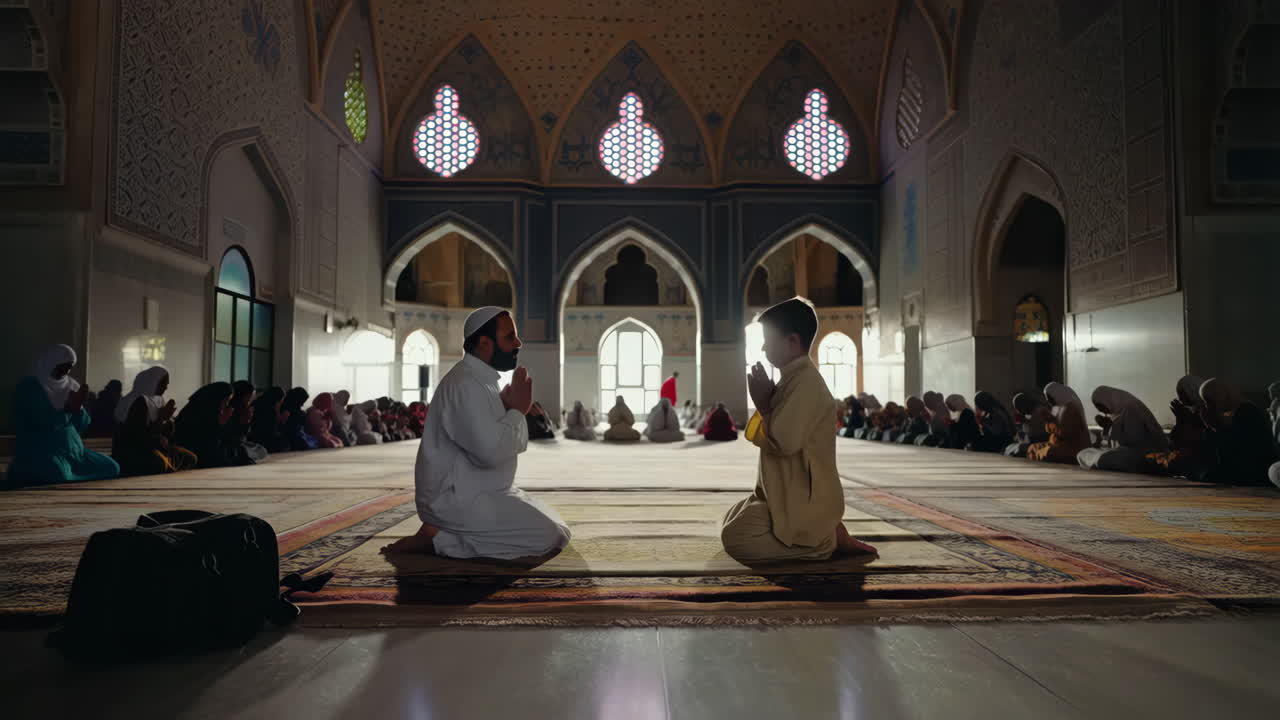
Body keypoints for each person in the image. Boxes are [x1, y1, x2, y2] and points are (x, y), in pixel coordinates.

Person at [381, 307, 570, 559]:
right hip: (456, 498)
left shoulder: (483, 381)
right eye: (508, 337)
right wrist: (516, 410)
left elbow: (485, 436)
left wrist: (505, 407)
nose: (518, 342)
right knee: (550, 536)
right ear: (484, 343)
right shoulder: (465, 384)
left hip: (482, 489)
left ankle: (446, 533)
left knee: (559, 527)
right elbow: (489, 454)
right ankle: (441, 539)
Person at [720, 299, 876, 564]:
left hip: (804, 498)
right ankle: (826, 531)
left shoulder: (805, 384)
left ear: (792, 342)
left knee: (737, 538)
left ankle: (823, 542)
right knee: (731, 518)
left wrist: (763, 406)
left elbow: (784, 442)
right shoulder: (793, 379)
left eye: (768, 340)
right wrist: (768, 403)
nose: (762, 347)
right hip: (787, 492)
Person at [5, 345, 119, 489]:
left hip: (75, 453)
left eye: (69, 367)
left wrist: (78, 409)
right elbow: (38, 423)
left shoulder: (71, 385)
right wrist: (66, 410)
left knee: (112, 467)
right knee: (57, 472)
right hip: (42, 450)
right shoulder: (30, 385)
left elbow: (81, 426)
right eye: (62, 366)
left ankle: (71, 474)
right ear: (50, 362)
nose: (66, 371)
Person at [111, 366, 196, 476]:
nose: (166, 387)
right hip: (135, 449)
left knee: (190, 458)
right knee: (158, 462)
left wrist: (169, 422)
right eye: (163, 383)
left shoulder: (158, 399)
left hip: (156, 446)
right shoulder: (139, 400)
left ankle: (167, 464)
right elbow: (138, 437)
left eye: (167, 384)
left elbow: (165, 433)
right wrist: (162, 419)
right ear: (152, 382)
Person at [1194, 378, 1278, 486]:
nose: (1208, 406)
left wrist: (1216, 428)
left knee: (1205, 474)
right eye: (1205, 402)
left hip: (1253, 470)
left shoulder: (1246, 411)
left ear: (1223, 396)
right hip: (1241, 468)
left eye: (1210, 401)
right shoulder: (1229, 413)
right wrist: (1212, 428)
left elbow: (1238, 452)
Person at [1077, 386, 1167, 472]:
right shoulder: (1122, 410)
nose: (1104, 412)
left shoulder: (1131, 409)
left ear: (1109, 400)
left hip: (1146, 456)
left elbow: (1133, 443)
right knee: (1089, 454)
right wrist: (1109, 428)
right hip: (1134, 454)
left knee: (1096, 456)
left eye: (1103, 407)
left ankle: (1099, 460)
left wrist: (1110, 428)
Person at [174, 382, 248, 467]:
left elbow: (228, 439)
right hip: (194, 451)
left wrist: (243, 423)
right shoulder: (195, 413)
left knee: (241, 450)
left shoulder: (213, 411)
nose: (227, 405)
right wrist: (220, 424)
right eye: (226, 401)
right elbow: (206, 444)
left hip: (208, 449)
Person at [1027, 383, 1091, 464]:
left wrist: (1050, 419)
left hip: (1073, 446)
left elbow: (1065, 433)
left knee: (1049, 451)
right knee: (1033, 447)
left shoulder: (1070, 408)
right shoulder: (1056, 408)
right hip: (1058, 444)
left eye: (1050, 398)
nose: (1048, 401)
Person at [227, 380, 268, 463]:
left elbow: (244, 436)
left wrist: (247, 421)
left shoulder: (246, 409)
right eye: (248, 399)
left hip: (241, 443)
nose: (249, 402)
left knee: (260, 449)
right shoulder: (228, 409)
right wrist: (244, 421)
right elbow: (229, 436)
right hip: (229, 443)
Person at [1005, 392, 1052, 457]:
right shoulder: (1029, 413)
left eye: (1018, 407)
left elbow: (1037, 431)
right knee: (1009, 447)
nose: (1018, 410)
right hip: (1032, 440)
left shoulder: (1040, 410)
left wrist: (1025, 421)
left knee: (1017, 448)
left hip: (1041, 440)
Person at [249, 386, 291, 453]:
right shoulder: (272, 408)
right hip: (266, 437)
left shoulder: (257, 402)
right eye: (282, 398)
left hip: (254, 436)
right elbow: (275, 425)